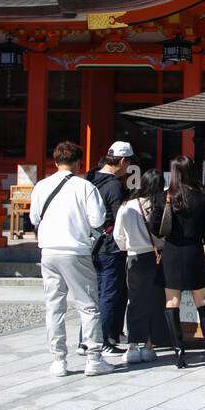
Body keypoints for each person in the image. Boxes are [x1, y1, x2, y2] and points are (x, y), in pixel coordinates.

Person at [29, 140, 111, 378]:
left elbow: (34, 217)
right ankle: (94, 356)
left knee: (54, 306)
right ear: (78, 163)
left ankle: (58, 359)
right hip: (76, 250)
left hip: (49, 250)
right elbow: (97, 220)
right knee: (88, 304)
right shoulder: (84, 187)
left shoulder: (41, 186)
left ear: (55, 162)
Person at [157, 155, 205, 368]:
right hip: (194, 251)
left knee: (172, 301)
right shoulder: (203, 197)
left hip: (172, 252)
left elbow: (156, 226)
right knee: (202, 298)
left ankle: (179, 351)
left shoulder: (166, 197)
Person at [81, 142, 132, 357]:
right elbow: (121, 218)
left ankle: (85, 340)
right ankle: (104, 340)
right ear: (122, 161)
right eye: (128, 163)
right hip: (111, 245)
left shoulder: (88, 180)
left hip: (89, 244)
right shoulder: (114, 186)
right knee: (110, 293)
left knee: (93, 294)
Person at [114, 169, 167, 365]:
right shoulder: (160, 206)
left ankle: (133, 346)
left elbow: (118, 236)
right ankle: (149, 345)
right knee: (155, 301)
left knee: (135, 301)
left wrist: (128, 246)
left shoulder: (127, 206)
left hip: (134, 256)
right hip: (156, 256)